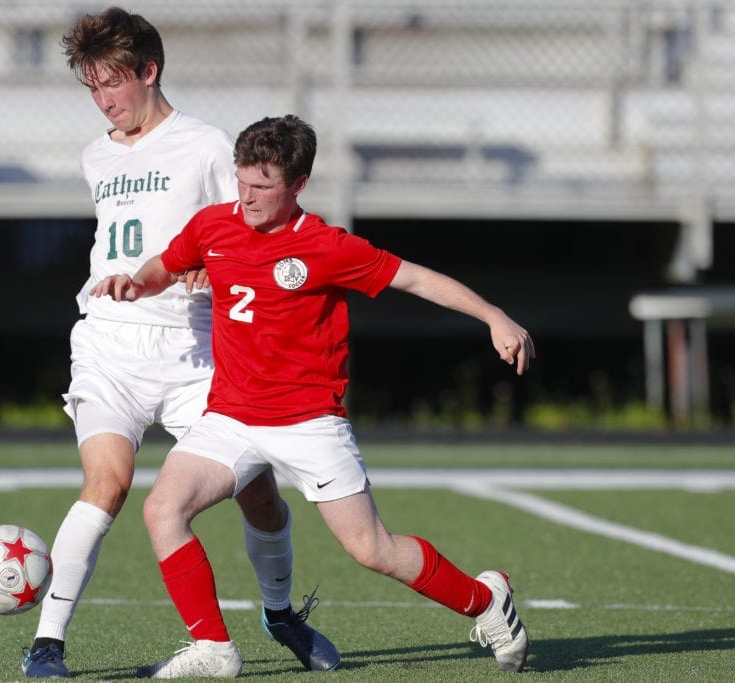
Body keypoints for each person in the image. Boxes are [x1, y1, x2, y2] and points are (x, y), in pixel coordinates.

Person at [92, 114, 535, 678]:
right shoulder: (212, 225)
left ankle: (485, 601)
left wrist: (493, 316)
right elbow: (167, 265)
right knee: (163, 510)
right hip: (229, 416)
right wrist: (135, 280)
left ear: (298, 186)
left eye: (263, 187)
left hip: (309, 423)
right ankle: (213, 650)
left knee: (372, 549)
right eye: (241, 181)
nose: (246, 197)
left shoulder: (326, 246)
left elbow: (415, 279)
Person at [20, 11, 339, 678]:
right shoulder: (96, 154)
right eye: (92, 87)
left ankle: (280, 613)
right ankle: (48, 643)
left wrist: (212, 266)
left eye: (113, 83)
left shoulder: (206, 146)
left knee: (257, 489)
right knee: (106, 484)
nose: (105, 100)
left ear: (149, 71)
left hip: (194, 352)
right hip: (109, 345)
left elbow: (256, 234)